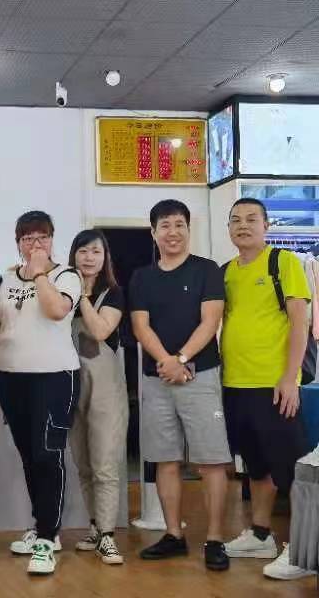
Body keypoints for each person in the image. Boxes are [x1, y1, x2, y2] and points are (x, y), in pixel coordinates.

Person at [129, 199, 231, 572]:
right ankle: (173, 534)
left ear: (189, 229)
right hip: (157, 379)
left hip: (200, 376)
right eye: (165, 226)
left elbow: (210, 321)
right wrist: (167, 363)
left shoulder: (207, 270)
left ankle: (215, 539)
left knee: (211, 460)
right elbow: (140, 326)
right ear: (153, 233)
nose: (172, 232)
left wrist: (183, 358)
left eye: (179, 225)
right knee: (165, 459)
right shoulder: (142, 277)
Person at [221, 197, 314, 580]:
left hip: (274, 385)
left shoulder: (283, 262)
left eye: (251, 219)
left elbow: (300, 322)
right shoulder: (226, 272)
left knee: (291, 468)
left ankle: (304, 552)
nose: (243, 225)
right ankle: (261, 535)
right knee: (256, 465)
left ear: (266, 225)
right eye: (236, 220)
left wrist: (290, 378)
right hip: (234, 384)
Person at [0, 211, 81, 575]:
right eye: (27, 238)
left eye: (41, 237)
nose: (35, 244)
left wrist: (41, 272)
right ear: (17, 242)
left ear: (52, 240)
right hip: (11, 378)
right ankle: (42, 525)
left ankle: (48, 538)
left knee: (48, 456)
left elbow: (57, 310)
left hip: (55, 377)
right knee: (29, 456)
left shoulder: (66, 276)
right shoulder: (5, 277)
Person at [68, 229, 128, 566]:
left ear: (105, 258)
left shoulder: (113, 293)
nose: (89, 257)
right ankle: (94, 526)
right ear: (73, 255)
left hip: (104, 387)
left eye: (96, 252)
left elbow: (101, 331)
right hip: (69, 384)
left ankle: (108, 535)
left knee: (104, 462)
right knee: (83, 462)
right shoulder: (60, 291)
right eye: (83, 251)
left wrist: (81, 296)